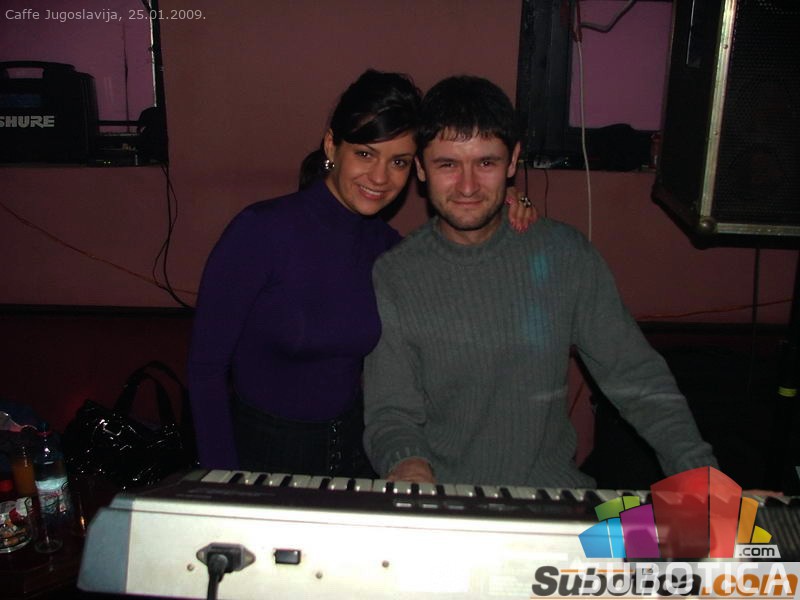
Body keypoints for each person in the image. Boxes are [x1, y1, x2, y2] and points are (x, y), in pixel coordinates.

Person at [363, 75, 718, 487]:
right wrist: (409, 466)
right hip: (446, 503)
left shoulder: (566, 256)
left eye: (486, 163)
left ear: (513, 161)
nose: (467, 186)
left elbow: (637, 379)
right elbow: (392, 414)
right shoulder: (396, 275)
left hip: (558, 500)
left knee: (657, 527)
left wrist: (701, 479)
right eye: (448, 165)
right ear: (421, 169)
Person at [187, 70, 535, 476]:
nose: (380, 177)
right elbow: (205, 371)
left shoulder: (389, 249)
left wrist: (497, 208)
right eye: (366, 154)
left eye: (398, 161)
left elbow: (462, 292)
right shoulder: (260, 232)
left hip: (358, 458)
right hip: (261, 459)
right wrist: (223, 481)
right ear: (332, 144)